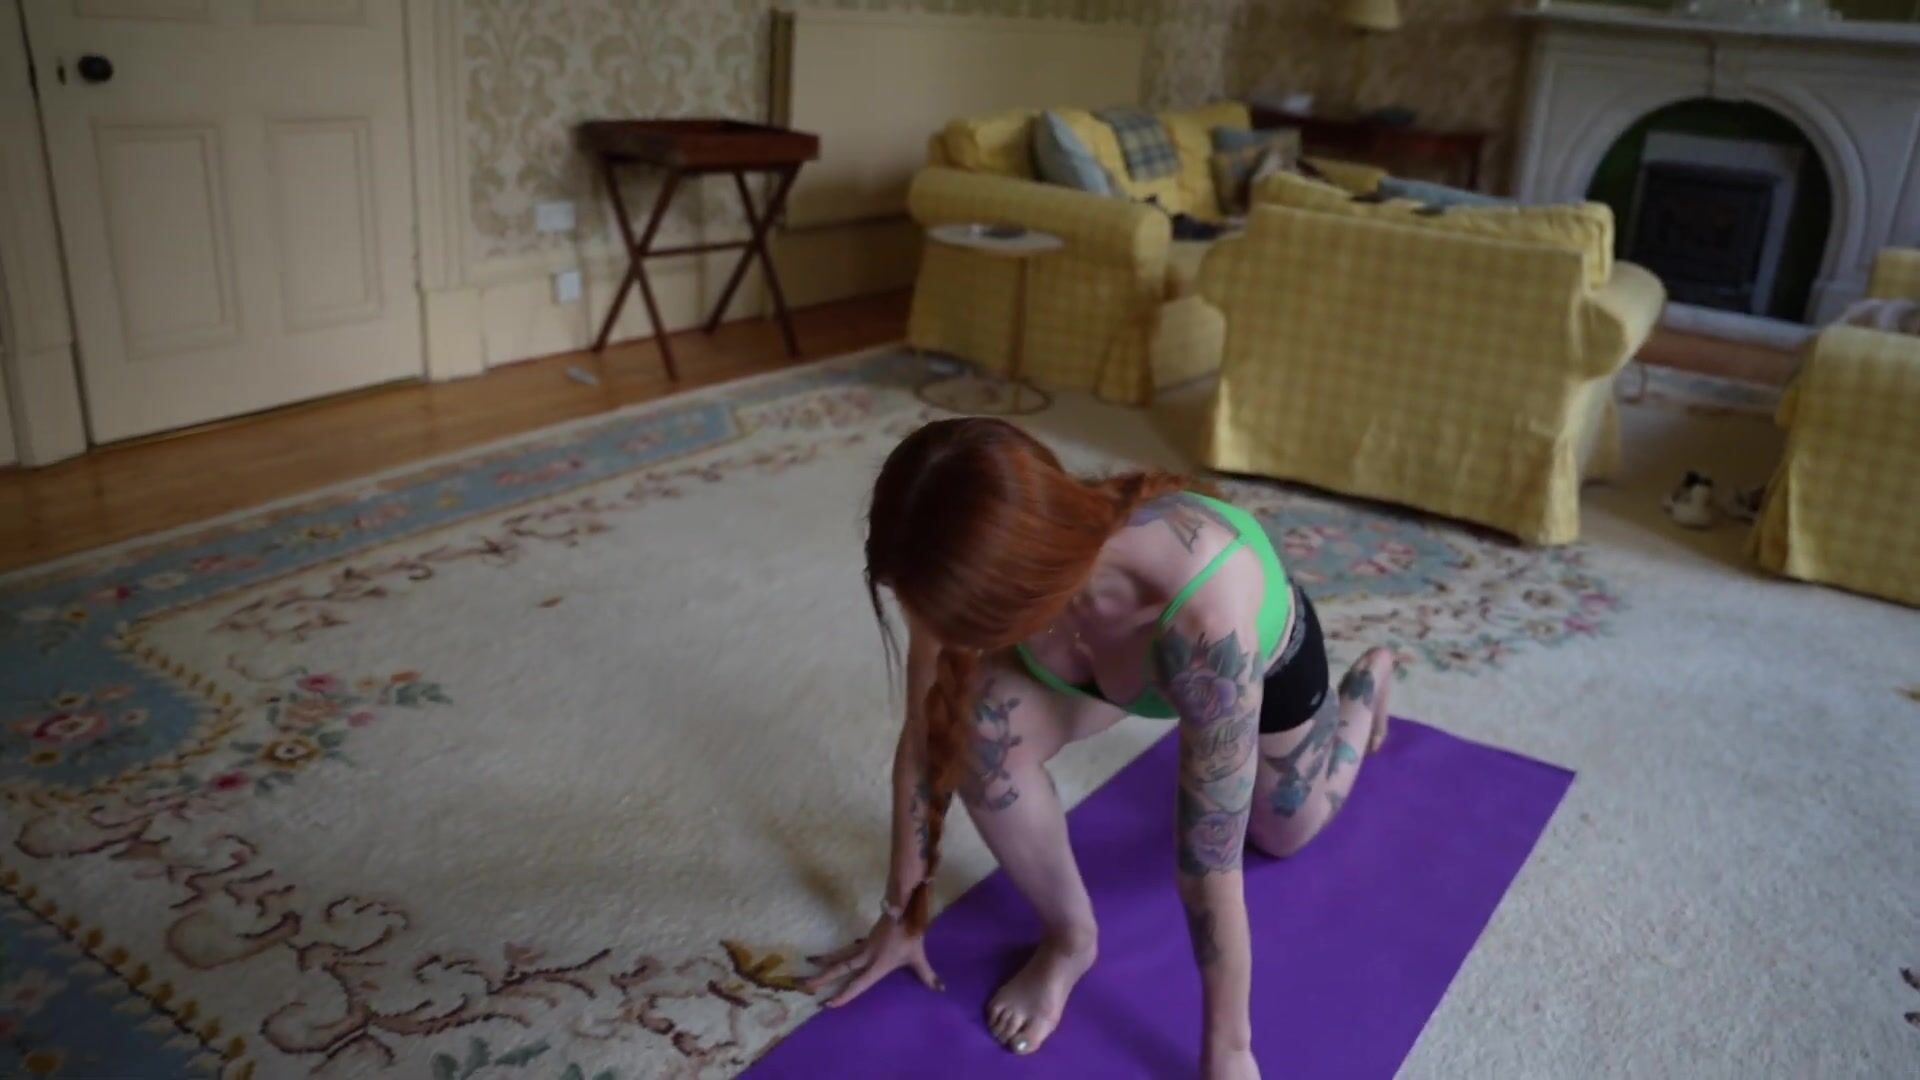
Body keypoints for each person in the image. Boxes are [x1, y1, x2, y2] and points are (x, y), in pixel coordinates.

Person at [804, 418, 1395, 1080]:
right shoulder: (961, 557)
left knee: (1285, 832)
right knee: (977, 731)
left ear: (1019, 595)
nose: (936, 634)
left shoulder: (1208, 627)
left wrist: (1229, 1053)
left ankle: (1367, 685)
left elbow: (1209, 862)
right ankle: (1070, 937)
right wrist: (902, 914)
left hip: (1252, 658)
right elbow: (926, 738)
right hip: (1097, 655)